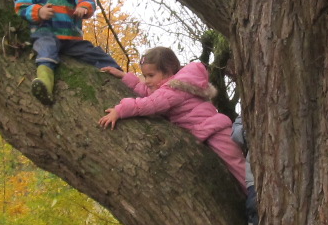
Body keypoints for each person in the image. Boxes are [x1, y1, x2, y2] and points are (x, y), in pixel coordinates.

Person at [96, 48, 247, 191]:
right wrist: (124, 76)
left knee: (237, 166)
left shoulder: (174, 90)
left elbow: (149, 103)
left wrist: (120, 110)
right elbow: (146, 91)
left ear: (168, 72)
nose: (146, 80)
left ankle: (257, 198)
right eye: (145, 76)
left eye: (151, 75)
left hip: (216, 132)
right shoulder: (168, 88)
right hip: (206, 131)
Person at [14, 0, 118, 104]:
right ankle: (45, 83)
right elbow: (21, 6)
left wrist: (83, 7)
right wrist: (39, 11)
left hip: (71, 37)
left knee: (92, 52)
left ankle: (121, 75)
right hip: (45, 33)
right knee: (46, 51)